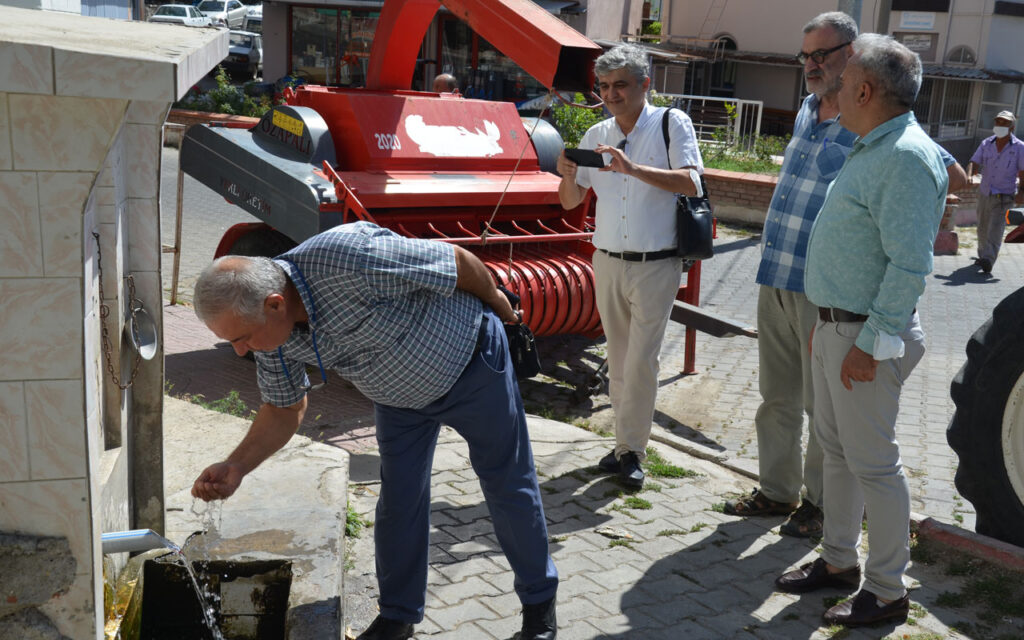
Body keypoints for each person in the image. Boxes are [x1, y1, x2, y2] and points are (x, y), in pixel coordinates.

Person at [189, 222, 558, 640]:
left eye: (242, 338)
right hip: (398, 399)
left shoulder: (348, 257)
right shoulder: (271, 337)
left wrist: (505, 313)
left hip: (473, 364)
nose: (240, 350)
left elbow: (458, 263)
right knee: (400, 502)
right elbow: (283, 409)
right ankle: (397, 617)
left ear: (275, 304)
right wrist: (236, 466)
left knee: (507, 484)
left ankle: (539, 610)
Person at [773, 34, 948, 627]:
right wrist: (828, 330)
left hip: (865, 338)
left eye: (844, 84)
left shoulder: (903, 157)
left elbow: (910, 265)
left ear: (867, 90)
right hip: (837, 331)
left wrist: (870, 345)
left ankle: (887, 589)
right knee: (839, 457)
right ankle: (841, 561)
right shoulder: (874, 145)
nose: (836, 92)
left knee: (873, 464)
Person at [723, 12, 859, 539]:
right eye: (805, 55)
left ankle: (820, 504)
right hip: (775, 273)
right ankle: (776, 492)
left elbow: (934, 165)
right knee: (776, 394)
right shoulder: (806, 108)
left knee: (818, 403)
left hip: (822, 284)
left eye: (821, 54)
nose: (811, 65)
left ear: (852, 52)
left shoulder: (869, 114)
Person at [555, 44, 702, 489]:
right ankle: (624, 444)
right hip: (607, 260)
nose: (611, 93)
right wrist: (565, 173)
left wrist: (632, 168)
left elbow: (693, 182)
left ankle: (633, 451)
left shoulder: (669, 122)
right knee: (617, 359)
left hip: (657, 262)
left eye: (621, 84)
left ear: (644, 84)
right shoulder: (595, 131)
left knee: (640, 361)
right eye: (604, 86)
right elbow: (570, 202)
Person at [967, 110, 1024, 273]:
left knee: (996, 228)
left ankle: (988, 259)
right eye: (998, 122)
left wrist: (1022, 191)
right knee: (982, 227)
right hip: (985, 192)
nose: (1000, 125)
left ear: (1011, 127)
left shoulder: (1020, 148)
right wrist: (970, 175)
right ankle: (982, 256)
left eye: (1004, 123)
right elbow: (974, 161)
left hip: (1004, 195)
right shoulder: (987, 143)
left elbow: (1023, 172)